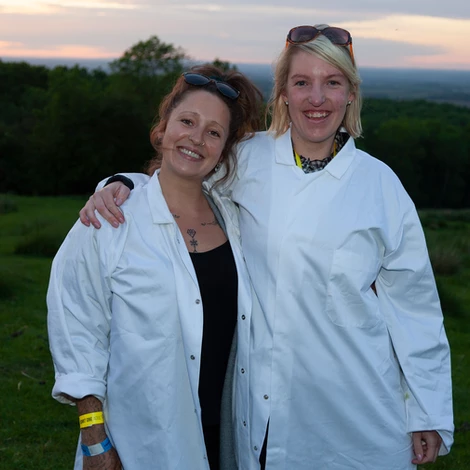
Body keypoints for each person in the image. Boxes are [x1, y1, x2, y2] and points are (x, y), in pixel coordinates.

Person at [78, 25, 454, 469]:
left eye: (332, 83)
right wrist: (120, 185)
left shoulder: (381, 186)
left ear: (350, 93)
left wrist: (427, 410)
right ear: (283, 93)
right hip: (266, 410)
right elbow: (177, 180)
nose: (317, 98)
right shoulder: (248, 159)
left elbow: (415, 306)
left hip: (364, 411)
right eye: (302, 83)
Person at [47, 64, 264, 470]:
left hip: (228, 439)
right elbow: (76, 327)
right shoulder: (111, 221)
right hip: (140, 442)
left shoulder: (237, 221)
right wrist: (95, 438)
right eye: (187, 121)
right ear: (162, 129)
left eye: (214, 132)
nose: (196, 139)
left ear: (223, 150)